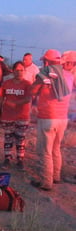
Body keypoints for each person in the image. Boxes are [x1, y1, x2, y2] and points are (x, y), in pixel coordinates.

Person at [29, 49, 72, 191]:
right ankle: (56, 177)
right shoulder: (68, 75)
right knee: (56, 149)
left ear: (46, 61)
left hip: (48, 117)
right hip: (62, 118)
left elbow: (33, 91)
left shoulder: (45, 74)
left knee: (45, 151)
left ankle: (46, 182)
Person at [0, 61, 32, 170]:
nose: (19, 72)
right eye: (17, 70)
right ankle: (7, 158)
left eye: (21, 70)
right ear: (13, 71)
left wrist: (15, 103)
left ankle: (20, 159)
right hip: (8, 115)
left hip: (22, 116)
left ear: (24, 71)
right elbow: (1, 98)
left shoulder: (27, 84)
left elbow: (28, 99)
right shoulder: (7, 83)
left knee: (20, 138)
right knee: (8, 137)